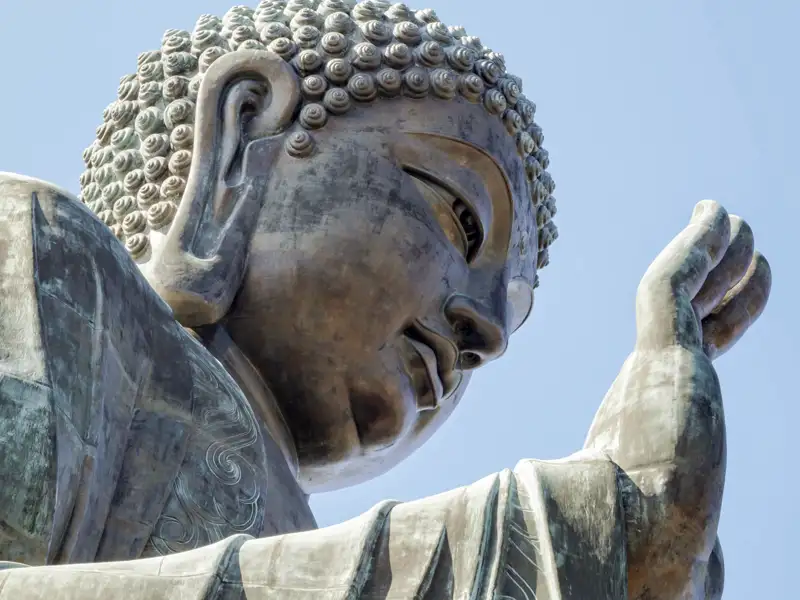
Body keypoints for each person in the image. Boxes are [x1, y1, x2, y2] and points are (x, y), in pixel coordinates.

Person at [0, 2, 770, 598]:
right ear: (244, 132)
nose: (487, 334)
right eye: (462, 217)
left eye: (509, 311)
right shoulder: (45, 255)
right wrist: (552, 533)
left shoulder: (303, 541)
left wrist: (642, 513)